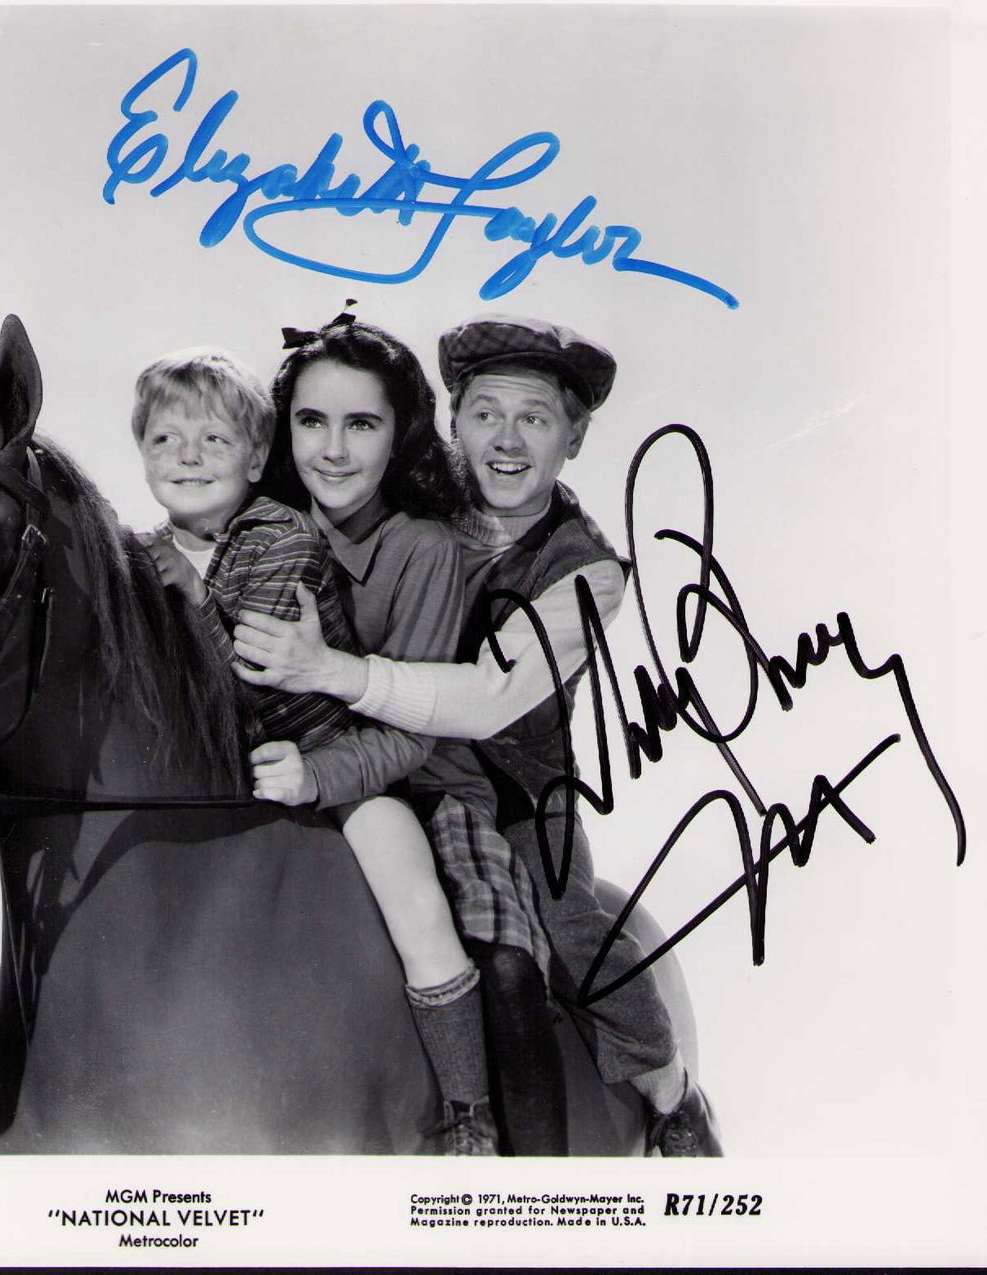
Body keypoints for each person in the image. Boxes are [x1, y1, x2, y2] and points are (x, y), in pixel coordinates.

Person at [233, 314, 722, 1156]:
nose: (505, 439)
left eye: (534, 418)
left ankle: (666, 1094)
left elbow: (492, 696)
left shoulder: (587, 571)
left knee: (564, 935)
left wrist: (333, 673)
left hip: (515, 787)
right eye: (485, 412)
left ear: (574, 436)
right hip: (379, 761)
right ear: (453, 421)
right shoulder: (420, 493)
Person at [129, 344, 500, 1154]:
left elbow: (240, 673)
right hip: (217, 773)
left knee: (419, 904)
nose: (189, 458)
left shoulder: (279, 535)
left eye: (213, 442)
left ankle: (469, 1111)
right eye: (165, 441)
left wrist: (315, 775)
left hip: (343, 759)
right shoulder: (135, 555)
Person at [231, 318, 570, 1156]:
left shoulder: (420, 547)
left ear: (401, 436)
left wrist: (314, 773)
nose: (334, 450)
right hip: (281, 773)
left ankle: (518, 1165)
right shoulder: (255, 531)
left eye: (363, 425)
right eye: (312, 422)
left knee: (507, 959)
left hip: (420, 786)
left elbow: (409, 738)